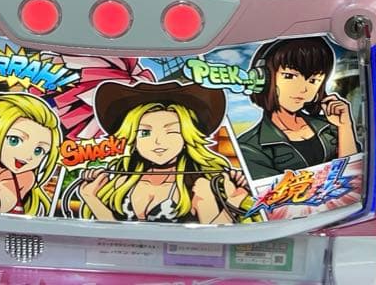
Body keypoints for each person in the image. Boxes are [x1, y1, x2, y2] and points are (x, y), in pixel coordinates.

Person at [77, 81, 251, 223]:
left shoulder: (197, 185)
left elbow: (211, 236)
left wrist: (234, 200)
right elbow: (113, 232)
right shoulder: (123, 180)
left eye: (172, 131)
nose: (158, 141)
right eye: (145, 132)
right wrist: (89, 196)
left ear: (187, 137)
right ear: (132, 138)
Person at [238, 37, 359, 180]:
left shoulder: (331, 126)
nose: (303, 89)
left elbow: (354, 175)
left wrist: (345, 126)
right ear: (264, 79)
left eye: (313, 80)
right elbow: (273, 192)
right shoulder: (249, 146)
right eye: (290, 76)